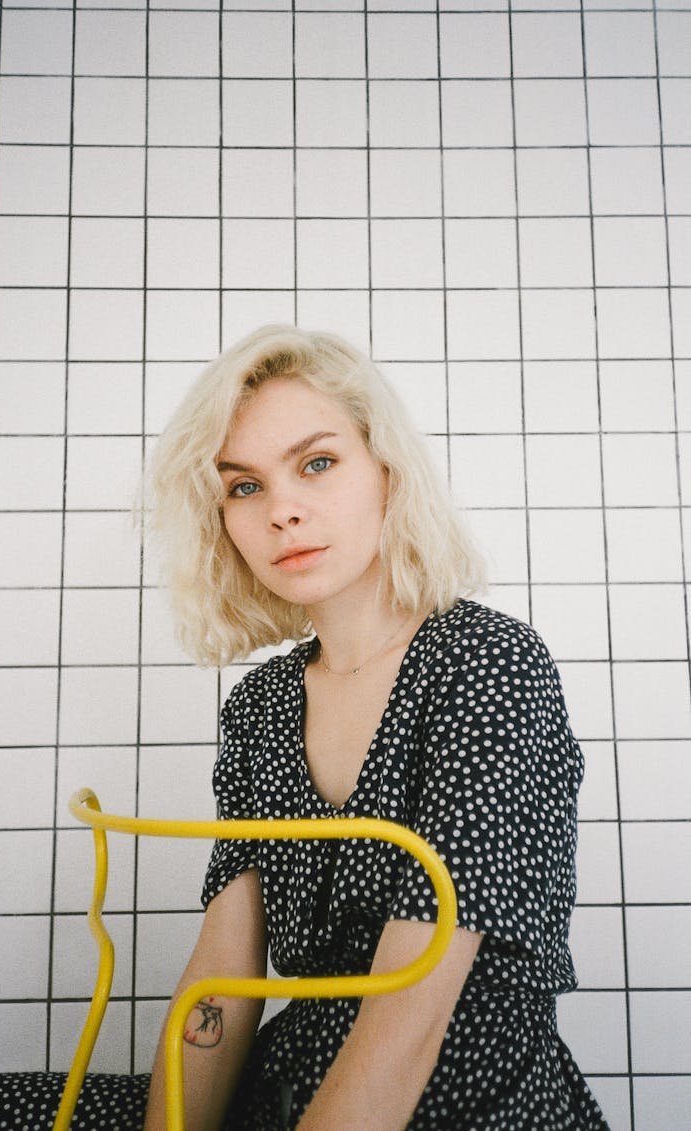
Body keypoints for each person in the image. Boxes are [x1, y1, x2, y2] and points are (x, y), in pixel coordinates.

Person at [142, 325, 609, 1130]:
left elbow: (414, 1010)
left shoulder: (485, 662)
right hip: (280, 1095)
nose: (282, 509)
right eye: (243, 486)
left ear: (386, 472)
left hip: (466, 1108)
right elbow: (220, 975)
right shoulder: (259, 708)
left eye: (316, 463)